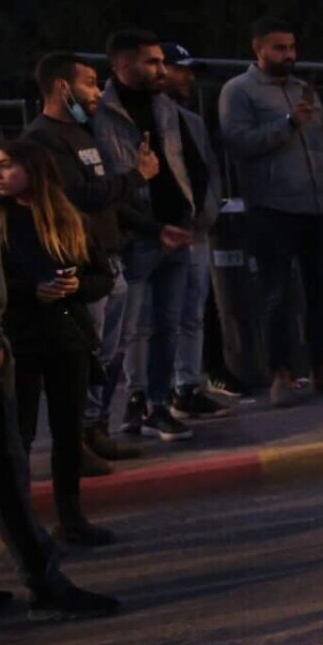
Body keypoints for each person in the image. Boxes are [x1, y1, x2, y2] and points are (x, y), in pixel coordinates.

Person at [0, 174, 120, 620]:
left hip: (42, 340)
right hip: (6, 345)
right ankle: (45, 581)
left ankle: (46, 573)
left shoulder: (64, 218)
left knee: (8, 465)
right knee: (5, 465)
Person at [20, 53, 150, 465]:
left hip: (107, 260)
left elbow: (102, 197)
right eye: (90, 83)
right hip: (81, 265)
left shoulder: (81, 133)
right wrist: (136, 177)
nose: (97, 92)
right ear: (62, 87)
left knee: (110, 353)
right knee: (84, 358)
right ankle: (72, 443)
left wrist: (145, 224)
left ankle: (96, 429)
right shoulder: (42, 139)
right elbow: (80, 196)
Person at [219, 19, 323, 407]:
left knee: (320, 293)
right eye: (279, 48)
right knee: (277, 295)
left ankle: (322, 369)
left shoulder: (302, 90)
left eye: (292, 47)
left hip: (317, 207)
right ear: (258, 49)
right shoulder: (239, 91)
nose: (288, 55)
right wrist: (285, 125)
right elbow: (238, 142)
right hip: (273, 208)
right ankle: (280, 374)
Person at [93, 30, 214, 444]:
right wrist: (149, 226)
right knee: (126, 332)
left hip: (176, 232)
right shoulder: (99, 112)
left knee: (169, 324)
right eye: (152, 62)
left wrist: (192, 216)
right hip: (133, 236)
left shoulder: (167, 108)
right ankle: (120, 408)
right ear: (122, 66)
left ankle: (158, 405)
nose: (163, 70)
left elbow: (193, 166)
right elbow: (103, 184)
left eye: (163, 62)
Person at [150, 44, 233, 421]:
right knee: (161, 315)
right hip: (161, 231)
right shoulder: (146, 117)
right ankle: (158, 393)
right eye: (181, 69)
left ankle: (189, 386)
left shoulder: (192, 121)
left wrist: (209, 211)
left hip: (196, 229)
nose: (189, 76)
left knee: (192, 311)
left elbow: (209, 169)